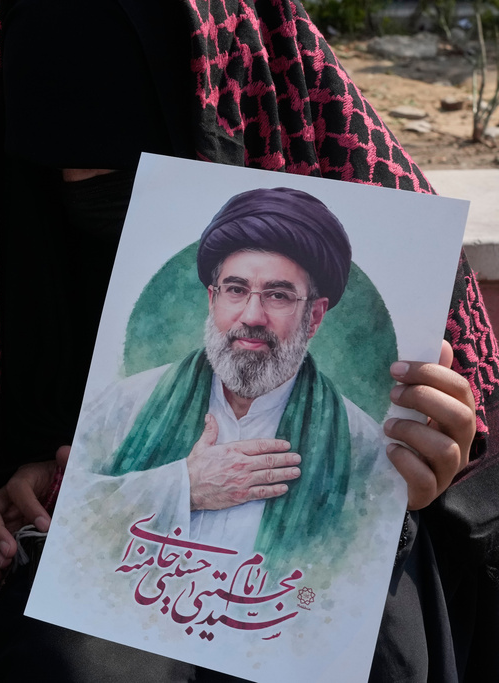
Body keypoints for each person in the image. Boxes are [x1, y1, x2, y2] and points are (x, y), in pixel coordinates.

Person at [0, 1, 498, 681]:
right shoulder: (125, 394)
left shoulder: (364, 424)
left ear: (318, 313)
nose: (85, 193)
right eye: (58, 171)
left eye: (277, 294)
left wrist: (428, 469)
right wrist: (35, 482)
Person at [72, 186, 394, 575]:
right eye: (236, 290)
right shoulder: (127, 403)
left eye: (278, 295)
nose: (252, 316)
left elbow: (362, 568)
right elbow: (68, 516)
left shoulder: (361, 444)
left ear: (314, 316)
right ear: (212, 300)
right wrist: (183, 487)